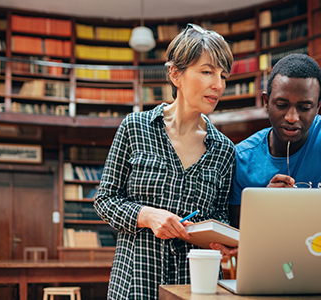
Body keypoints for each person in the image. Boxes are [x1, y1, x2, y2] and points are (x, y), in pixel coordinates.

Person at [94, 23, 235, 300]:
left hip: (196, 287)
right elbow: (105, 200)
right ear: (175, 74)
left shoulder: (225, 150)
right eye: (207, 72)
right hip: (135, 284)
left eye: (223, 75)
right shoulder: (135, 128)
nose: (218, 85)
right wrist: (147, 216)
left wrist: (219, 238)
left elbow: (220, 217)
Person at [211, 53, 321, 256]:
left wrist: (282, 212)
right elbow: (238, 236)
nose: (292, 117)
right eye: (281, 105)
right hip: (268, 271)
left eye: (304, 107)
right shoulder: (241, 157)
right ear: (266, 101)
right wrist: (263, 205)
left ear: (318, 106)